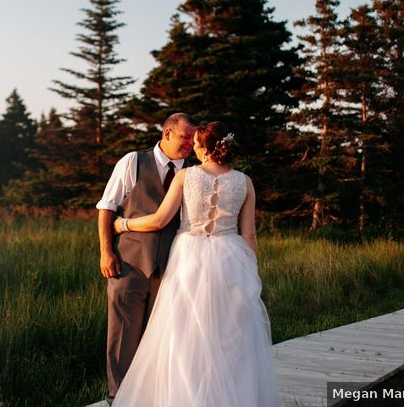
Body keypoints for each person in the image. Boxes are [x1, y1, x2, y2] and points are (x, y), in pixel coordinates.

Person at [111, 122, 278, 407]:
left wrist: (122, 223)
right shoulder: (245, 181)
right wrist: (251, 273)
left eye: (197, 142)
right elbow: (249, 234)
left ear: (206, 147)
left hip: (190, 256)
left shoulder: (186, 176)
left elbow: (159, 220)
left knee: (183, 332)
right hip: (231, 258)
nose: (193, 147)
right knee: (228, 335)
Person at [96, 113, 196, 403]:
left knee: (162, 338)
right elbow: (107, 208)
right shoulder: (132, 162)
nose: (190, 143)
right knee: (122, 335)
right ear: (167, 134)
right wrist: (106, 251)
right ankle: (118, 398)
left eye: (193, 138)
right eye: (185, 137)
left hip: (172, 269)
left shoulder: (195, 172)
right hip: (128, 264)